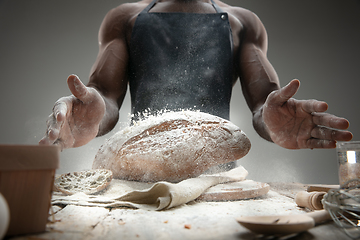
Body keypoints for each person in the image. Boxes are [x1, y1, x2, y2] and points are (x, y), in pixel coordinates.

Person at [39, 0, 352, 153]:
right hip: (138, 172)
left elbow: (264, 106)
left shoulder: (242, 23)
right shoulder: (125, 19)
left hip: (219, 180)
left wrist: (274, 122)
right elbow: (105, 96)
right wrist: (89, 116)